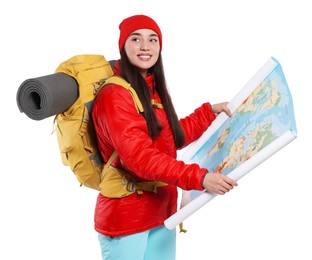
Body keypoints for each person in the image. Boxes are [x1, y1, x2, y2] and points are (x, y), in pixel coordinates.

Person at [92, 14, 238, 260]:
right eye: (136, 39)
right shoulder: (115, 95)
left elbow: (168, 138)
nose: (145, 47)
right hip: (127, 220)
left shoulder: (149, 86)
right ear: (123, 46)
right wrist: (200, 178)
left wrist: (207, 114)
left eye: (153, 40)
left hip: (161, 213)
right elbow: (141, 158)